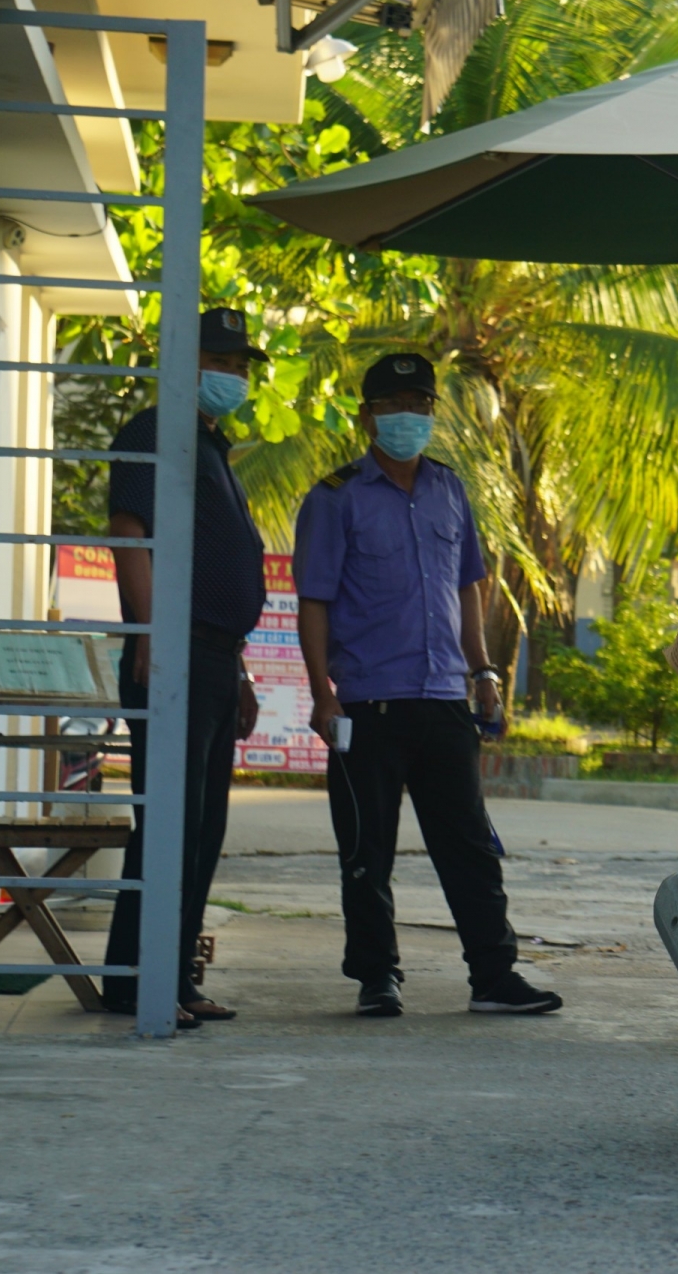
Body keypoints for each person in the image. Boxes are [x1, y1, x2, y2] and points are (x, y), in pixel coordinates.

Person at [293, 352, 561, 1019]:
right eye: (392, 406)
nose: (407, 417)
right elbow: (314, 601)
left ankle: (494, 975)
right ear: (366, 415)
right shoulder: (333, 498)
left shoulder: (449, 489)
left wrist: (484, 671)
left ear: (433, 413)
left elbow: (468, 586)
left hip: (444, 697)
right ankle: (377, 975)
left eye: (419, 404)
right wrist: (322, 693)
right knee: (366, 848)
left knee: (469, 844)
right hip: (367, 702)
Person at [100, 308, 267, 1028]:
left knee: (201, 828)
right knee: (168, 821)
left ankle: (170, 973)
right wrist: (150, 633)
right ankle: (137, 978)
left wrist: (240, 669)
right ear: (181, 359)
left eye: (240, 365)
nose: (232, 374)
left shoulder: (209, 446)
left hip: (214, 657)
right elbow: (129, 535)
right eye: (218, 359)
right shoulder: (151, 433)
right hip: (172, 653)